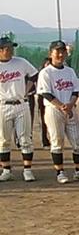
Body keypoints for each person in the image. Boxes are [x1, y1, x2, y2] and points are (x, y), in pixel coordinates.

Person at [36, 40, 79, 183]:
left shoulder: (69, 71)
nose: (60, 54)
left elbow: (75, 91)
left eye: (63, 51)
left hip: (70, 109)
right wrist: (62, 106)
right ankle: (60, 172)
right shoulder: (45, 72)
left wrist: (70, 105)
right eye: (57, 51)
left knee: (78, 142)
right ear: (51, 54)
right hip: (53, 109)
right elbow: (45, 93)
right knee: (57, 141)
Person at [0, 36, 38, 182]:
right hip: (3, 105)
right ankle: (6, 170)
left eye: (11, 48)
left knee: (25, 138)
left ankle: (27, 170)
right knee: (4, 140)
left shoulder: (20, 62)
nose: (10, 51)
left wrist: (27, 89)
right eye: (7, 48)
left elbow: (34, 75)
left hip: (21, 103)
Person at [34, 57, 51, 149]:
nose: (48, 65)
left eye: (50, 63)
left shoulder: (54, 74)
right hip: (42, 98)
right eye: (46, 64)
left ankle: (53, 139)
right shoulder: (41, 74)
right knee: (43, 120)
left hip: (54, 99)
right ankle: (45, 140)